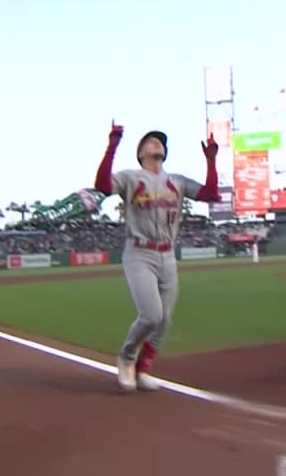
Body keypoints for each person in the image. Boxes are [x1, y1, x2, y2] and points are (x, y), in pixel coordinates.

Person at [94, 122, 221, 392]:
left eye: (160, 141)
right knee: (151, 315)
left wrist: (211, 160)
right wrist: (112, 146)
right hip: (139, 253)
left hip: (167, 255)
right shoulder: (130, 177)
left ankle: (142, 370)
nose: (156, 143)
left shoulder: (176, 181)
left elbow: (210, 194)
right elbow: (103, 186)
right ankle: (127, 358)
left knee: (164, 322)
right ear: (140, 153)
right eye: (150, 141)